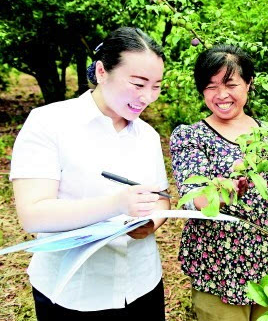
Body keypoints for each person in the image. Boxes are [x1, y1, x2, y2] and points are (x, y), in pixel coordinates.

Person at [10, 27, 170, 321]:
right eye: (138, 83)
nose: (148, 97)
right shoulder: (49, 123)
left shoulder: (147, 135)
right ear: (101, 71)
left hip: (142, 284)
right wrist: (117, 204)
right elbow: (33, 213)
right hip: (72, 292)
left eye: (157, 86)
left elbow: (160, 199)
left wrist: (151, 222)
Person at [170, 45, 268, 321]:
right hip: (219, 267)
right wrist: (223, 190)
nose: (221, 95)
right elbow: (195, 196)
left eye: (231, 84)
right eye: (211, 87)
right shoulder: (191, 137)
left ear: (249, 84)